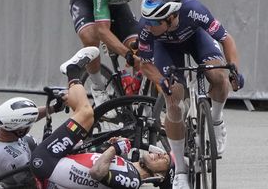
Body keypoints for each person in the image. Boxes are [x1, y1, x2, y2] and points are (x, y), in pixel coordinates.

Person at [137, 0, 244, 188]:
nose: (148, 25)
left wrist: (234, 71)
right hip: (165, 48)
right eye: (147, 20)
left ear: (170, 17)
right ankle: (180, 171)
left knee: (219, 76)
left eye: (153, 21)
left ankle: (216, 120)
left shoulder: (194, 10)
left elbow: (226, 39)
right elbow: (145, 64)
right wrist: (162, 81)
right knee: (174, 102)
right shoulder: (146, 28)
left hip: (195, 37)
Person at [30, 47, 174, 189]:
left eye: (164, 160)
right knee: (83, 123)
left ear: (160, 176)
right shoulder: (131, 170)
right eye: (163, 154)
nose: (160, 155)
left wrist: (114, 149)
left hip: (46, 160)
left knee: (86, 114)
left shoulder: (134, 181)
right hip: (56, 160)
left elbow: (97, 172)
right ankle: (69, 95)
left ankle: (72, 70)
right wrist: (117, 149)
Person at [69, 0, 157, 107]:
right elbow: (102, 30)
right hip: (87, 3)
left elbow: (161, 9)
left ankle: (135, 91)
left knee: (138, 46)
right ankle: (98, 87)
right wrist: (128, 55)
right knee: (91, 37)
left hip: (117, 5)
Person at [0, 95, 66, 187]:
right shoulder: (18, 158)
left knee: (30, 141)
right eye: (29, 125)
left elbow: (25, 116)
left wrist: (54, 108)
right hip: (16, 182)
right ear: (20, 131)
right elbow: (35, 183)